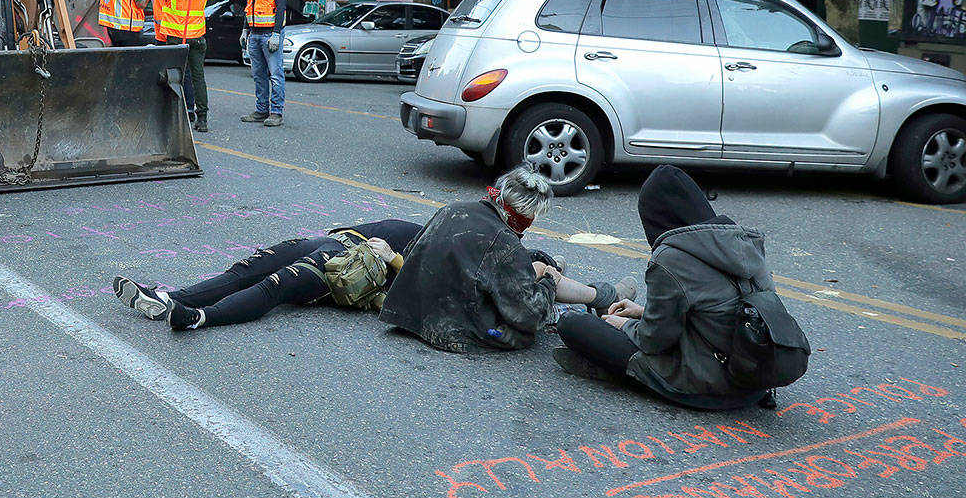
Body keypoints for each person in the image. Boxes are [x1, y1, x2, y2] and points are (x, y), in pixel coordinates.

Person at [553, 164, 775, 410]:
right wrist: (642, 312)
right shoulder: (742, 242)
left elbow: (654, 341)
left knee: (572, 323)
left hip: (707, 387)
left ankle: (627, 375)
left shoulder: (672, 257)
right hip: (755, 379)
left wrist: (626, 324)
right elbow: (718, 312)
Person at [380, 162, 636, 353]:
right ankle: (604, 296)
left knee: (536, 260)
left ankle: (599, 293)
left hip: (409, 314)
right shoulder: (504, 243)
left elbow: (411, 254)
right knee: (544, 278)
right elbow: (527, 315)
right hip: (454, 330)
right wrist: (546, 279)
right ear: (524, 215)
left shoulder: (454, 209)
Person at [113, 219, 424, 330]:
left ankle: (196, 317)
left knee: (277, 284)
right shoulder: (439, 232)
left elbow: (424, 292)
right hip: (334, 239)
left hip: (353, 263)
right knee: (245, 269)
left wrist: (394, 258)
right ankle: (166, 298)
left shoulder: (439, 260)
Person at [152, 0, 210, 133]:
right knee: (198, 77)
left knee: (174, 77)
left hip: (175, 37)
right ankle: (201, 118)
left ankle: (175, 115)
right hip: (197, 36)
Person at [240, 0, 287, 127]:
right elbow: (249, 3)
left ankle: (276, 112)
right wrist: (245, 29)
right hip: (254, 33)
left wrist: (276, 32)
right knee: (258, 74)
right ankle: (261, 110)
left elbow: (282, 6)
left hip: (270, 34)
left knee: (275, 74)